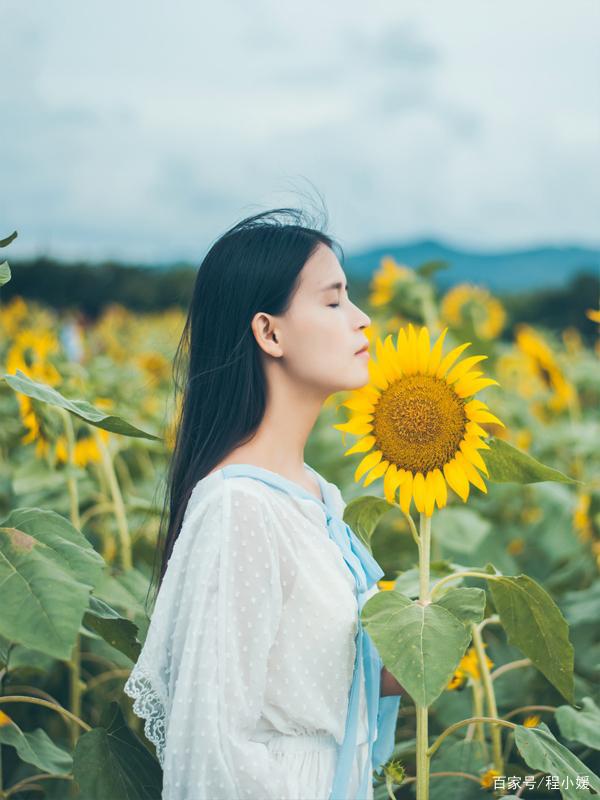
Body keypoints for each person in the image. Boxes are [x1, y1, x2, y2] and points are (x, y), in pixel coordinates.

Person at [124, 207, 405, 799]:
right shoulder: (239, 508)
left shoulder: (314, 494)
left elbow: (303, 680)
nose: (362, 319)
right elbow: (211, 752)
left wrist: (423, 638)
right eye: (333, 301)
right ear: (269, 332)